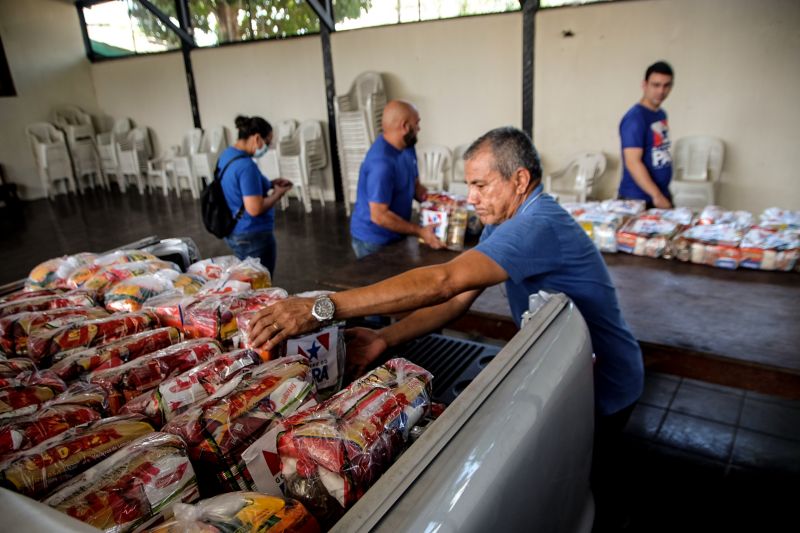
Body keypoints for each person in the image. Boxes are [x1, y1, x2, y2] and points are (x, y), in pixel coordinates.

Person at [248, 126, 644, 530]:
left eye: (480, 185)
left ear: (520, 180)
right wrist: (384, 337)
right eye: (468, 185)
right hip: (574, 358)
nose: (471, 197)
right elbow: (456, 300)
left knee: (585, 482)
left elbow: (444, 282)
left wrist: (324, 307)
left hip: (606, 378)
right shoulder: (506, 222)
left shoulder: (539, 222)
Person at [349, 100, 445, 259]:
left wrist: (440, 202)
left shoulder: (407, 147)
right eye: (417, 123)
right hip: (373, 241)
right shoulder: (381, 163)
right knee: (384, 283)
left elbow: (414, 186)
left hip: (396, 233)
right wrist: (420, 231)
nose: (419, 128)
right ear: (405, 126)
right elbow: (379, 216)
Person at [217, 115, 293, 277]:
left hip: (234, 229)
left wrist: (271, 184)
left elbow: (239, 188)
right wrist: (278, 194)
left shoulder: (227, 155)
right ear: (257, 138)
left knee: (248, 280)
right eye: (267, 142)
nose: (268, 146)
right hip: (252, 235)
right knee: (260, 284)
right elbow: (255, 208)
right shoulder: (246, 166)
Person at [618, 61, 675, 209]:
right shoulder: (635, 118)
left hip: (660, 195)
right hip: (639, 199)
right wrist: (657, 196)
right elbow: (632, 162)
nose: (661, 91)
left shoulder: (660, 114)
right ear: (644, 85)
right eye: (656, 85)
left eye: (666, 85)